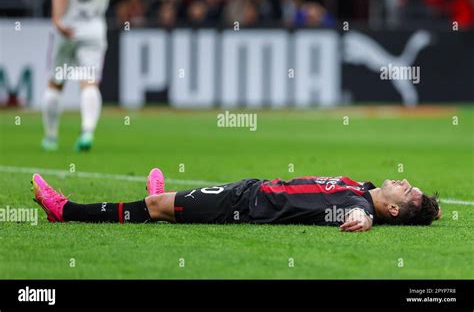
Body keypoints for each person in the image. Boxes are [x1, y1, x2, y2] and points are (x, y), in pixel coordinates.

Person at [31, 168, 441, 232]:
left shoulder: (364, 206)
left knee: (154, 210)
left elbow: (356, 214)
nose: (403, 182)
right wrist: (429, 207)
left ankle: (65, 211)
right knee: (170, 204)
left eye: (406, 191)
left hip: (245, 208)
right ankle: (165, 200)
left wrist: (363, 220)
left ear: (390, 209)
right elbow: (357, 197)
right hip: (253, 188)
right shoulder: (361, 186)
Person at [41, 0, 119, 152]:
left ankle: (51, 137)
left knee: (56, 83)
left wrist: (57, 19)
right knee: (89, 82)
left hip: (68, 25)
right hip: (94, 25)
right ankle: (87, 131)